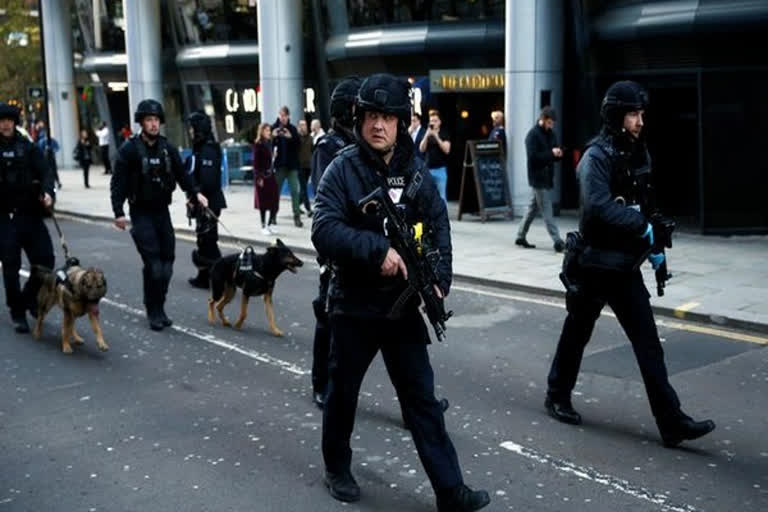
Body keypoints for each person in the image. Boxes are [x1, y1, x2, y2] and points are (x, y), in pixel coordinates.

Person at [312, 73, 490, 511]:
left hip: (402, 306)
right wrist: (378, 251)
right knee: (343, 393)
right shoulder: (341, 168)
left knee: (423, 402)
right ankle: (337, 467)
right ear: (360, 120)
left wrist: (438, 278)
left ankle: (451, 491)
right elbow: (323, 228)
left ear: (400, 122)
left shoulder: (414, 171)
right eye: (371, 116)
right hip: (353, 304)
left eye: (388, 118)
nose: (379, 125)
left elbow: (437, 224)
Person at [545, 81, 716, 448]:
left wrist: (657, 246)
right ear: (615, 115)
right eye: (633, 114)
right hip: (593, 265)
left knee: (649, 344)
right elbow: (598, 206)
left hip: (624, 268)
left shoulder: (638, 153)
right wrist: (643, 226)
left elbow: (647, 202)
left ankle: (671, 422)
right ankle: (556, 395)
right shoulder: (596, 157)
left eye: (641, 114)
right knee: (577, 334)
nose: (640, 121)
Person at [110, 99, 208, 331]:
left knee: (167, 263)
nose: (153, 124)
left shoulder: (167, 148)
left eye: (156, 120)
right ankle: (153, 309)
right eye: (148, 120)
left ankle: (159, 305)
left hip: (162, 212)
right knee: (153, 264)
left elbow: (183, 175)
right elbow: (118, 183)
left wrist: (196, 194)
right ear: (141, 123)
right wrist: (118, 212)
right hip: (140, 213)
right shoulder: (130, 149)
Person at [309, 75, 361, 409]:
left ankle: (416, 400)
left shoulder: (364, 145)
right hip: (340, 250)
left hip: (366, 248)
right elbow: (327, 201)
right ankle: (321, 383)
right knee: (329, 320)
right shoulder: (328, 148)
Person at [0, 102, 55, 333]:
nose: (5, 124)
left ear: (15, 122)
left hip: (30, 214)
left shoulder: (27, 147)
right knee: (11, 266)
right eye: (2, 121)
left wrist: (48, 192)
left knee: (46, 261)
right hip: (3, 217)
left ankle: (28, 298)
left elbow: (45, 172)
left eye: (9, 120)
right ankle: (17, 311)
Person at [515, 106, 566, 252]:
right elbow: (533, 158)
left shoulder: (551, 134)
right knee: (547, 208)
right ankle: (557, 241)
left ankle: (520, 235)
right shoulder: (532, 135)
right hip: (537, 177)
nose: (551, 126)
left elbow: (554, 152)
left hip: (547, 176)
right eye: (549, 122)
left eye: (552, 123)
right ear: (542, 120)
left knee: (532, 208)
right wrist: (551, 153)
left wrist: (558, 153)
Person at [185, 111, 226, 289]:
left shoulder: (208, 149)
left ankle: (222, 278)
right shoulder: (201, 147)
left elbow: (208, 180)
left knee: (209, 241)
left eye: (193, 128)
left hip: (209, 203)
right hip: (202, 202)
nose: (191, 132)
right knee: (203, 240)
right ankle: (204, 277)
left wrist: (198, 194)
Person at [271, 106, 303, 227]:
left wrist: (291, 137)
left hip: (292, 166)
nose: (283, 118)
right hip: (279, 166)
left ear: (288, 116)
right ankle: (273, 216)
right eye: (281, 115)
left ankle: (297, 217)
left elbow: (298, 145)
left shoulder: (293, 129)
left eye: (285, 115)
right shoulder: (274, 128)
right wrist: (273, 137)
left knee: (295, 191)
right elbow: (267, 143)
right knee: (276, 192)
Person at [252, 123, 279, 235]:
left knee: (274, 201)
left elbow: (269, 160)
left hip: (271, 175)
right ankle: (263, 226)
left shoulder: (269, 143)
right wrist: (259, 178)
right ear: (262, 131)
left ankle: (269, 224)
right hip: (262, 177)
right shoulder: (258, 145)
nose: (269, 132)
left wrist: (274, 156)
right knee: (263, 203)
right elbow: (256, 163)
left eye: (269, 130)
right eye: (267, 130)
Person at [419, 109, 450, 202]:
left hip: (440, 169)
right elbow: (421, 149)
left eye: (435, 121)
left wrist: (436, 136)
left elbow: (447, 150)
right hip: (428, 169)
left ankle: (443, 216)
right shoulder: (427, 134)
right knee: (428, 197)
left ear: (440, 122)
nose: (433, 123)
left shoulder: (444, 133)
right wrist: (426, 136)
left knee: (441, 197)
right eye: (431, 121)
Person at [35, 121, 61, 189]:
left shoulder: (51, 140)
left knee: (54, 171)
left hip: (51, 157)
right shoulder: (42, 140)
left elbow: (57, 147)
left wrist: (53, 150)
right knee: (48, 171)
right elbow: (39, 149)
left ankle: (57, 182)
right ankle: (53, 183)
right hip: (45, 158)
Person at [297, 119, 313, 217]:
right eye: (301, 125)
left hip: (308, 166)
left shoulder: (310, 138)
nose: (304, 127)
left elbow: (313, 150)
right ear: (299, 127)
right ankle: (308, 209)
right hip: (299, 166)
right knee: (303, 188)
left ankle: (296, 204)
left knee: (304, 187)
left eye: (305, 125)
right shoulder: (296, 138)